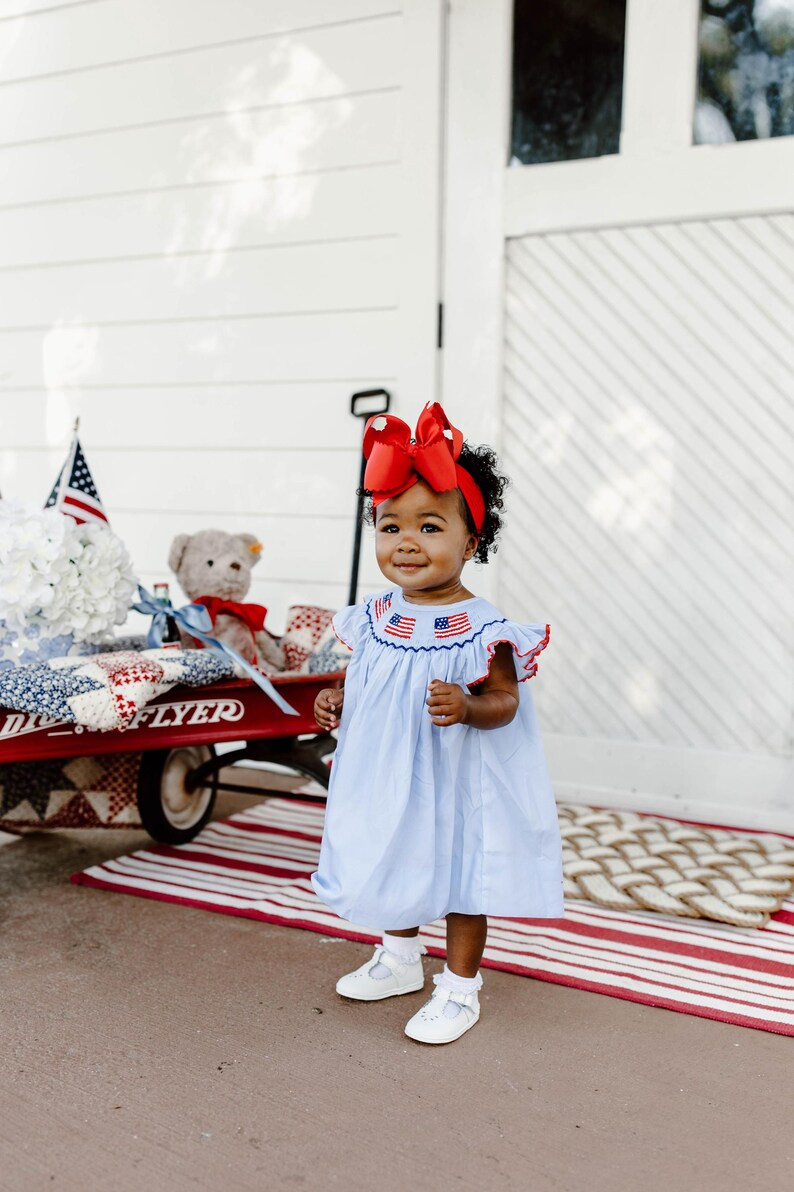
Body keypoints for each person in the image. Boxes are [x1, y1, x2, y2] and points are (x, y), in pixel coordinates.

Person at [311, 402, 563, 1044]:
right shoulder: (373, 616)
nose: (407, 542)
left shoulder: (485, 629)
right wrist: (339, 703)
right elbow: (367, 679)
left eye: (429, 526)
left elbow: (505, 702)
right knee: (397, 856)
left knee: (457, 875)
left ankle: (459, 988)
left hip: (457, 783)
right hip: (391, 776)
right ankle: (399, 959)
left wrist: (471, 706)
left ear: (470, 541)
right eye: (390, 526)